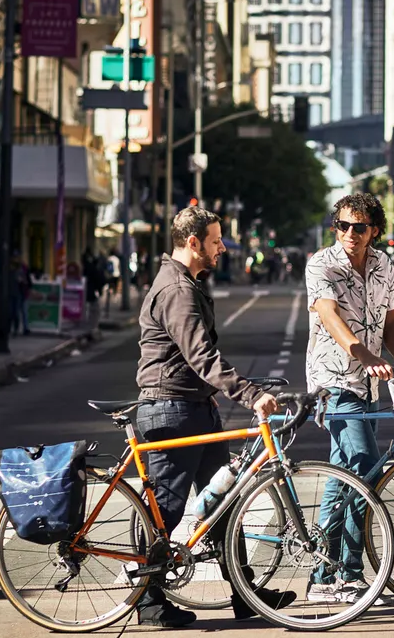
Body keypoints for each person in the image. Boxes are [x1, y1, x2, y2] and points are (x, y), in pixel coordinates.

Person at [134, 206, 295, 627]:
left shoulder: (187, 282)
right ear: (193, 243)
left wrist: (212, 393)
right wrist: (250, 394)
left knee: (224, 503)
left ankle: (246, 594)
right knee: (164, 512)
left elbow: (196, 363)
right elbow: (201, 356)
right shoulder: (178, 290)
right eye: (216, 240)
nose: (222, 247)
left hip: (193, 407)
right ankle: (148, 602)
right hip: (171, 410)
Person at [304, 193, 394, 603]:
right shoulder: (322, 264)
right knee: (366, 471)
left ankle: (323, 576)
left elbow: (391, 322)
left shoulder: (383, 265)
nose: (349, 234)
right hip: (334, 381)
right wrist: (365, 355)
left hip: (367, 383)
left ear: (375, 229)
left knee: (344, 477)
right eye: (342, 226)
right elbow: (328, 315)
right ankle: (348, 573)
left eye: (359, 227)